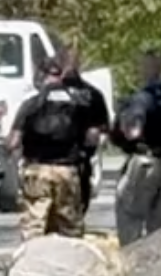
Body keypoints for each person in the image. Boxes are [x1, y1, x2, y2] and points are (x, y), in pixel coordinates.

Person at [8, 56, 96, 239]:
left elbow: (14, 141)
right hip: (67, 171)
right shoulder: (79, 103)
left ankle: (32, 262)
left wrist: (8, 149)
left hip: (37, 170)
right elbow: (92, 137)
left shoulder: (31, 104)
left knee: (34, 225)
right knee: (70, 225)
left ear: (41, 76)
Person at [113, 51, 161, 244]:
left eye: (143, 66)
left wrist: (122, 123)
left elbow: (133, 131)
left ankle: (133, 263)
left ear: (151, 68)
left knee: (130, 214)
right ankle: (158, 266)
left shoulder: (143, 98)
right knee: (159, 221)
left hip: (145, 163)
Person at [60, 46, 111, 208]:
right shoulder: (47, 93)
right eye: (67, 61)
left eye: (73, 61)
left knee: (77, 207)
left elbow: (103, 126)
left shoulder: (92, 94)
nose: (70, 65)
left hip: (79, 159)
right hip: (54, 160)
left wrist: (97, 133)